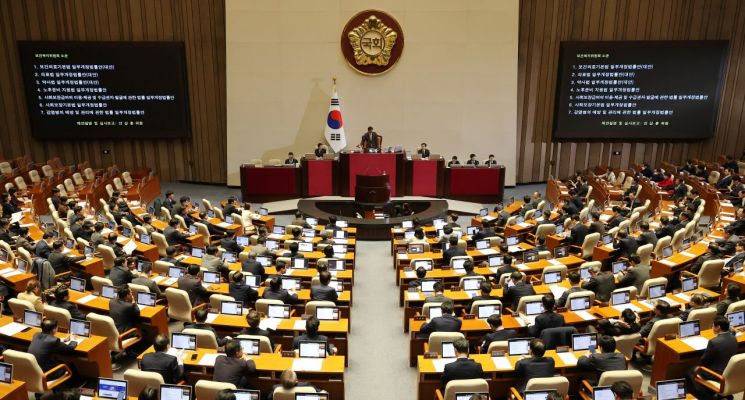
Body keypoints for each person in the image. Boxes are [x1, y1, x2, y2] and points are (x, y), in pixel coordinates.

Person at [687, 317, 738, 400]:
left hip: (716, 375)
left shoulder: (714, 342)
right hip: (728, 371)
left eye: (713, 326)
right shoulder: (734, 338)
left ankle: (706, 396)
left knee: (690, 370)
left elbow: (704, 362)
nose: (712, 328)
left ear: (718, 327)